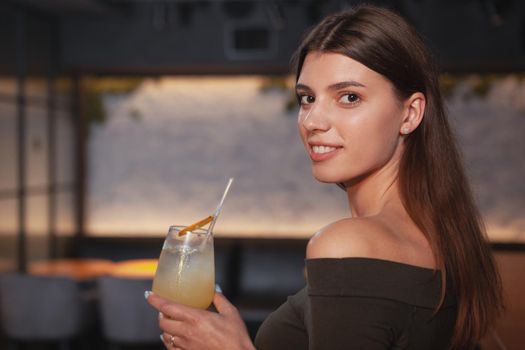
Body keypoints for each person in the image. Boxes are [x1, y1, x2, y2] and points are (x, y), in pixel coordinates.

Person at [146, 4, 504, 350]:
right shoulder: (447, 239)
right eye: (307, 98)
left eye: (349, 97)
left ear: (410, 114)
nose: (313, 121)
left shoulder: (347, 245)